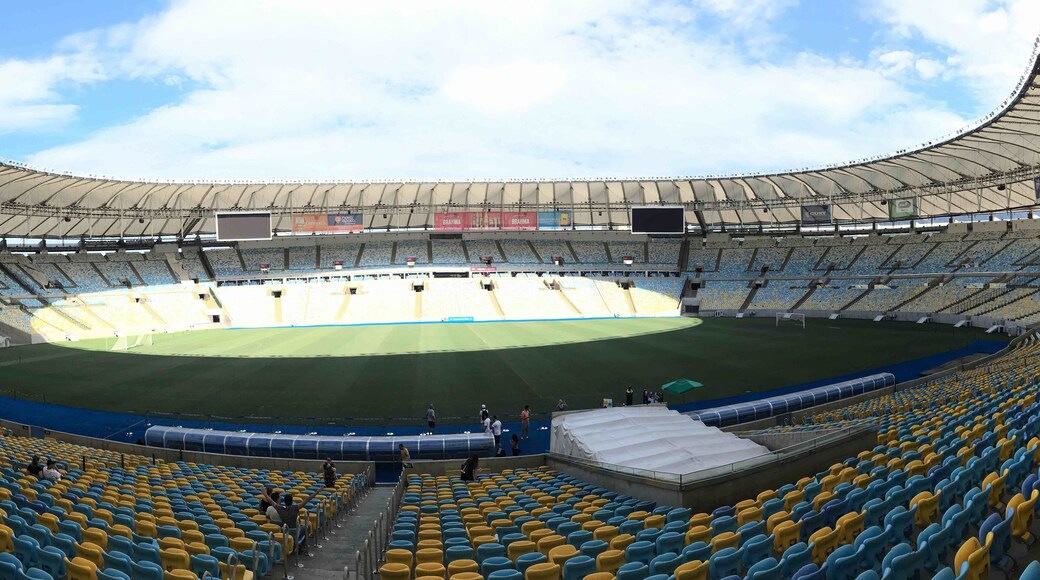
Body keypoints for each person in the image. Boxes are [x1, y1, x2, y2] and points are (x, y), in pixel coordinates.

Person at [260, 487, 326, 557]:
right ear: (291, 501)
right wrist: (317, 492)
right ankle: (301, 546)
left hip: (285, 530)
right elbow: (307, 499)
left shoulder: (280, 509)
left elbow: (270, 501)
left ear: (284, 502)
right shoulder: (295, 508)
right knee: (307, 526)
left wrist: (265, 494)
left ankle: (297, 544)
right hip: (295, 530)